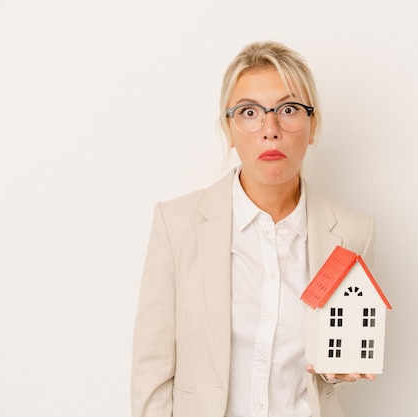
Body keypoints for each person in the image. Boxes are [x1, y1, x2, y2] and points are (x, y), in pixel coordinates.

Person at [131, 41, 377, 417]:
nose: (270, 129)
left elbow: (336, 363)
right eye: (250, 112)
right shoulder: (176, 224)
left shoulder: (353, 232)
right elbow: (151, 371)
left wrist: (341, 370)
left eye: (289, 109)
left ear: (313, 126)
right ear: (229, 129)